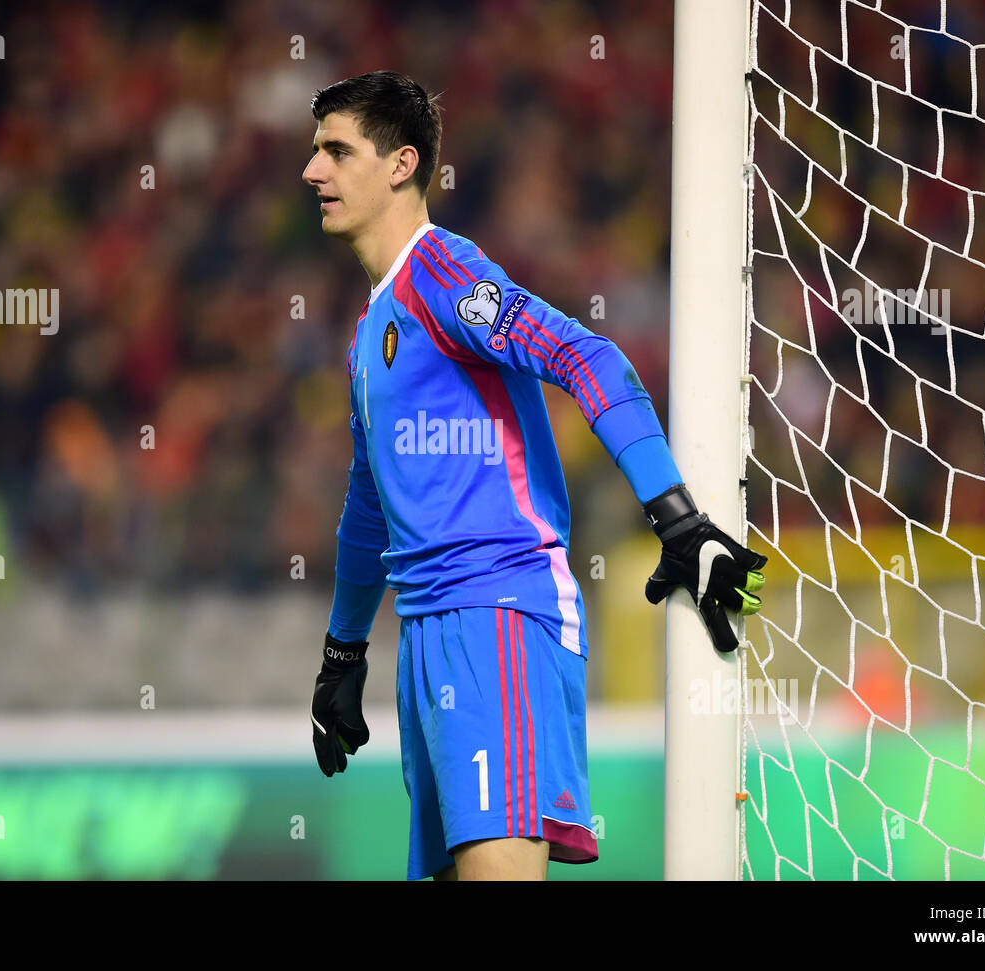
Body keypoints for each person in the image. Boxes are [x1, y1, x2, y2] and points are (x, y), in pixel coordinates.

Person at [303, 71, 767, 881]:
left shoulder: (444, 275)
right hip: (426, 637)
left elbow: (585, 353)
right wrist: (343, 654)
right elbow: (368, 506)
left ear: (403, 163)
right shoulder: (369, 330)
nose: (313, 171)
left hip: (499, 616)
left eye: (337, 151)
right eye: (315, 151)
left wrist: (676, 516)